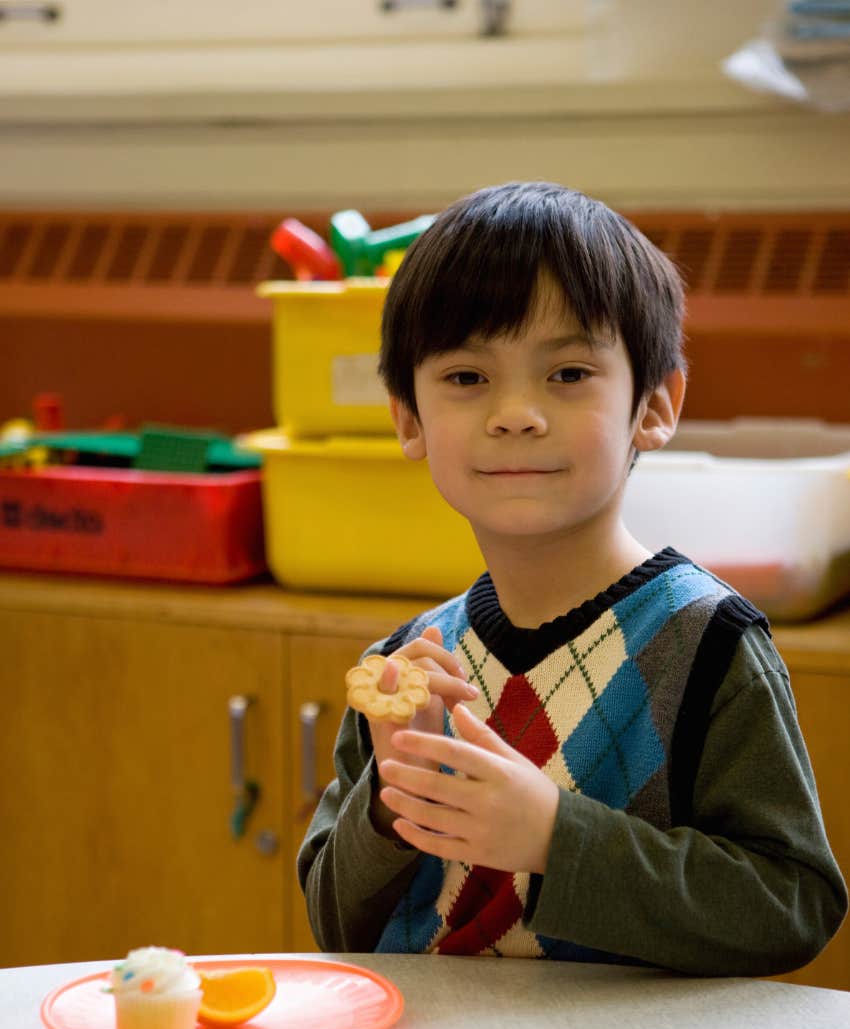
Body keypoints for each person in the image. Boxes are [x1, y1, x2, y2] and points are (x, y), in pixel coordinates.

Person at [297, 181, 847, 973]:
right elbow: (334, 925)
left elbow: (793, 905)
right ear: (407, 420)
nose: (514, 412)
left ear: (654, 407)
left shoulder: (711, 644)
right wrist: (390, 804)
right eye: (465, 378)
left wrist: (556, 836)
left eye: (567, 375)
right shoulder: (410, 665)